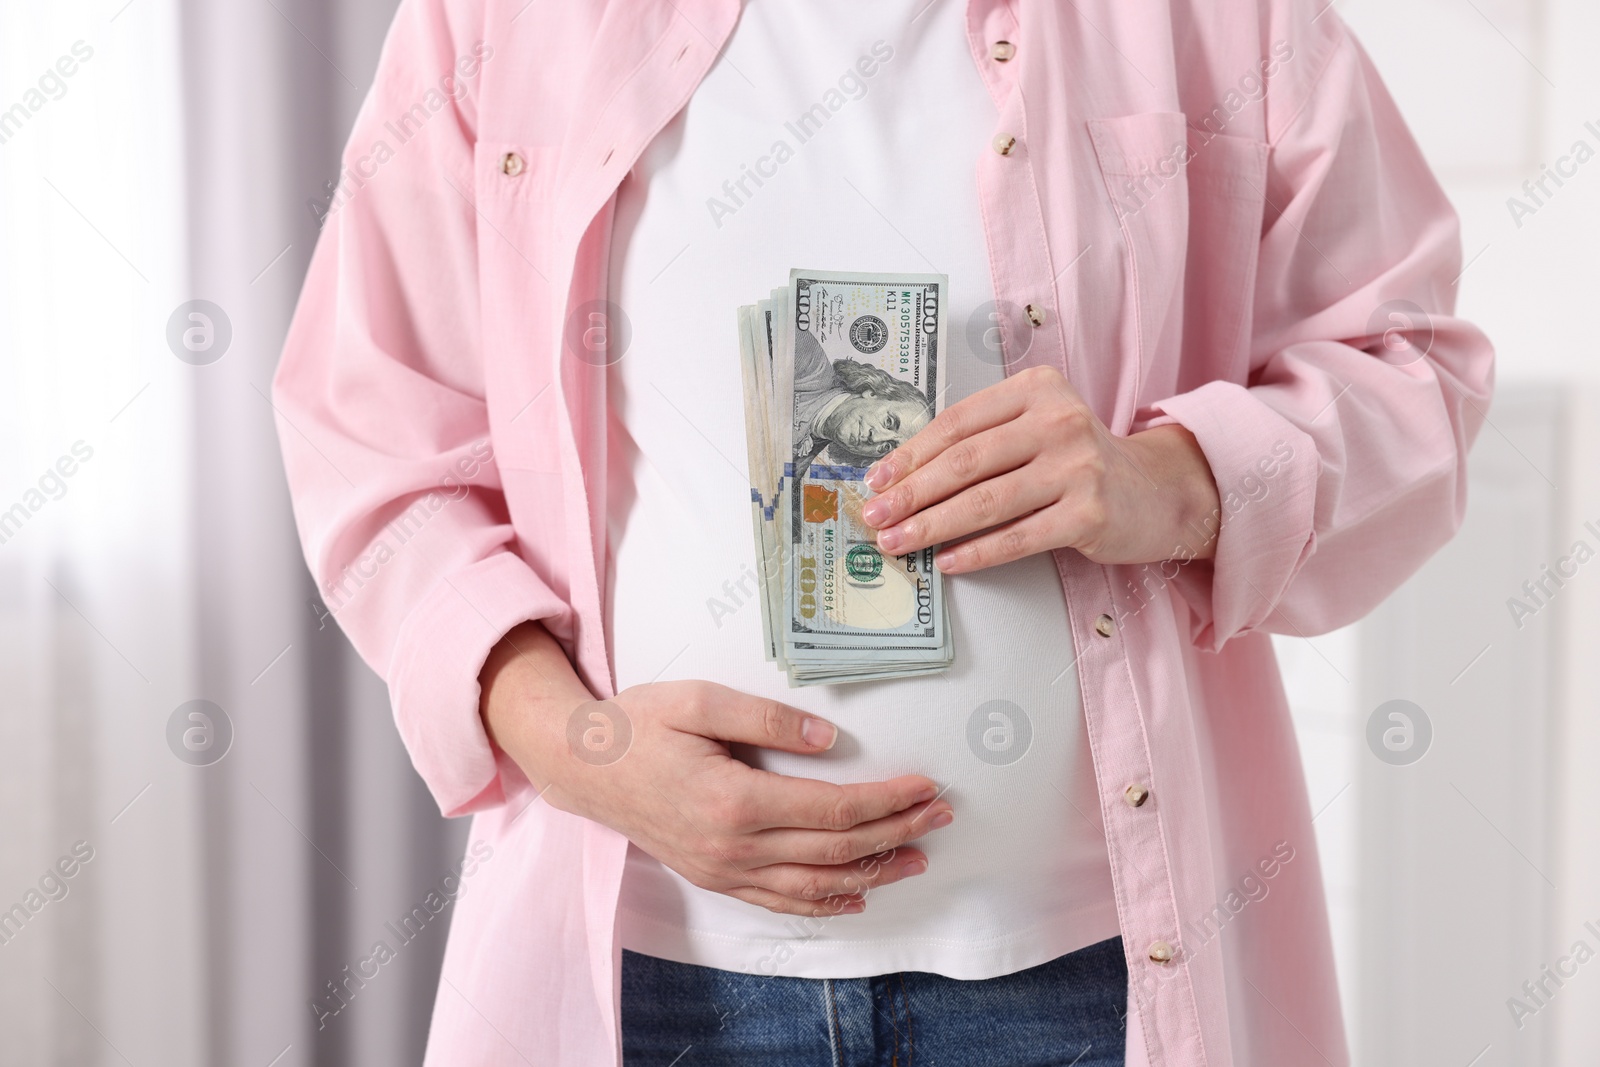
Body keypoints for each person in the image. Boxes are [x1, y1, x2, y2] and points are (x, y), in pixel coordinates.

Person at [272, 0, 1494, 1064]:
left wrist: (1169, 479)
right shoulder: (500, 17)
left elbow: (1414, 370)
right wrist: (577, 745)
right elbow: (372, 441)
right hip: (654, 974)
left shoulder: (1226, 15)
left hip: (1094, 976)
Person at [791, 323, 934, 476]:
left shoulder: (800, 467)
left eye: (888, 447)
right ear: (872, 393)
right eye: (889, 422)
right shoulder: (810, 363)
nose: (876, 438)